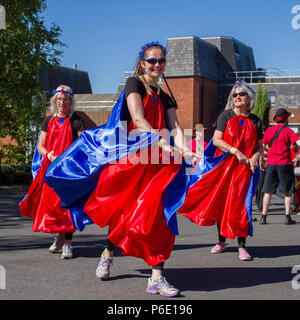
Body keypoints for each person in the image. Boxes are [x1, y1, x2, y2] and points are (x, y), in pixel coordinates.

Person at [45, 42, 196, 297]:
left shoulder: (166, 96)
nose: (157, 65)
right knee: (124, 215)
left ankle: (156, 276)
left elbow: (176, 128)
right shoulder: (134, 84)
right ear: (142, 63)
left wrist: (186, 148)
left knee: (160, 215)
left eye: (161, 61)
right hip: (132, 159)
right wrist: (161, 141)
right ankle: (108, 252)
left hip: (159, 164)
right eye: (152, 60)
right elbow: (137, 119)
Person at [173, 80, 263, 261]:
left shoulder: (255, 120)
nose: (238, 97)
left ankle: (241, 246)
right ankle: (221, 240)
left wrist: (255, 156)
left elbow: (259, 146)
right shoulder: (225, 116)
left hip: (244, 170)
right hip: (225, 167)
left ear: (249, 98)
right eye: (235, 95)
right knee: (223, 204)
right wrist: (235, 151)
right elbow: (216, 140)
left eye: (242, 94)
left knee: (241, 206)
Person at [19, 85, 86, 259]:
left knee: (68, 206)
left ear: (71, 101)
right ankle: (59, 237)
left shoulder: (76, 120)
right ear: (55, 101)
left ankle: (68, 244)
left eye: (65, 99)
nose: (62, 102)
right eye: (59, 99)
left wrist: (68, 158)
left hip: (69, 170)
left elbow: (82, 145)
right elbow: (40, 146)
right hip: (50, 169)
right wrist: (48, 154)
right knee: (53, 206)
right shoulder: (48, 121)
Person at [260, 108, 300, 225]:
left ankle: (263, 217)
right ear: (286, 119)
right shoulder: (288, 131)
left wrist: (262, 160)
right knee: (288, 191)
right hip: (284, 164)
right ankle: (287, 217)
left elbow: (262, 146)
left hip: (271, 164)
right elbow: (297, 143)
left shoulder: (269, 130)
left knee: (268, 191)